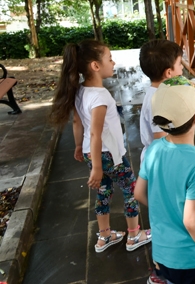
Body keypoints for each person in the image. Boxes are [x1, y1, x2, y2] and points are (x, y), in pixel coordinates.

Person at [49, 39, 151, 253]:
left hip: (90, 152)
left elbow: (78, 123)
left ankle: (105, 236)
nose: (113, 63)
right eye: (109, 59)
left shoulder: (79, 91)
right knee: (130, 190)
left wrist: (79, 147)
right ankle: (134, 235)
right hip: (108, 155)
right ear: (95, 66)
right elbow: (96, 132)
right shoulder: (100, 96)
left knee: (103, 192)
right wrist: (97, 166)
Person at [134, 76, 195, 284]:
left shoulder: (153, 149)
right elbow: (192, 221)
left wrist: (166, 208)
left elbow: (139, 193)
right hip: (192, 258)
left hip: (162, 253)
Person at [139, 39, 184, 162]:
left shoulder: (156, 93)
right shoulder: (160, 101)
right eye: (180, 64)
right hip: (160, 162)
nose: (182, 68)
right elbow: (161, 140)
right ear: (169, 73)